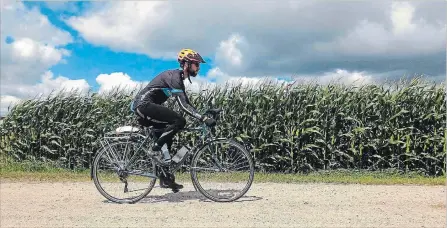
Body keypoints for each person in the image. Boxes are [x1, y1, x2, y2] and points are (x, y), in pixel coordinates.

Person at [131, 48, 217, 192]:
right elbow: (183, 106)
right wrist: (203, 119)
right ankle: (154, 150)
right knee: (179, 121)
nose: (199, 67)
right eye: (196, 64)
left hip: (147, 107)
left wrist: (205, 114)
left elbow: (187, 103)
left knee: (169, 135)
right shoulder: (174, 77)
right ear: (187, 64)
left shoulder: (178, 79)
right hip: (143, 105)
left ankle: (165, 178)